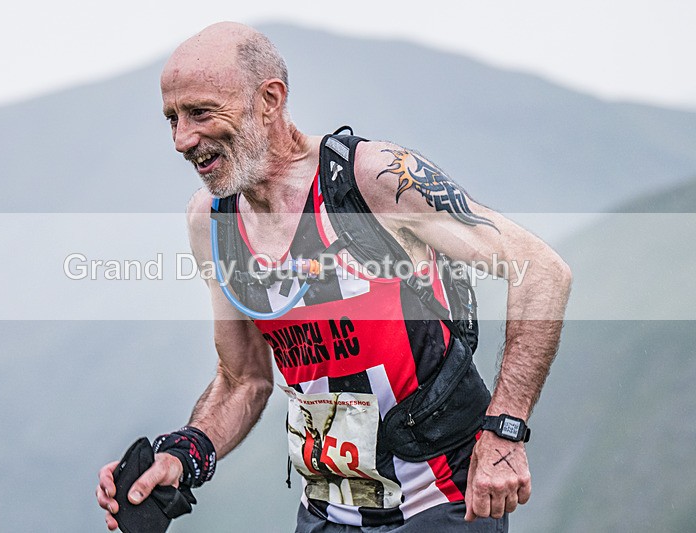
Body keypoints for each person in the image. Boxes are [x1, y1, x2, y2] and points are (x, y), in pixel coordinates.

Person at [96, 22, 572, 532]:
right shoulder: (213, 222)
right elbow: (244, 380)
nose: (182, 139)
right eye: (172, 119)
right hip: (327, 514)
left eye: (200, 112)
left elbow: (542, 270)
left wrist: (504, 432)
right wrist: (184, 455)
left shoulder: (370, 179)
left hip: (443, 502)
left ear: (269, 100)